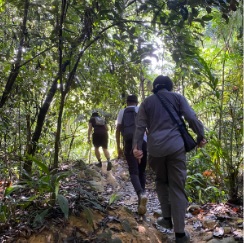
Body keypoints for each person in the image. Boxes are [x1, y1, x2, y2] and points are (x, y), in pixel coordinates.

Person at [132, 76, 207, 243]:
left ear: (155, 88)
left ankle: (166, 218)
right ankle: (180, 234)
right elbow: (191, 117)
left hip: (155, 150)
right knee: (177, 187)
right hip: (175, 147)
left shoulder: (146, 103)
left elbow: (140, 127)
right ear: (169, 86)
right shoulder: (178, 98)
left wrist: (136, 148)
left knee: (161, 181)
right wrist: (200, 135)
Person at [116, 94, 148, 215]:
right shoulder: (141, 110)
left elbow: (118, 130)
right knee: (142, 171)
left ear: (127, 102)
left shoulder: (122, 112)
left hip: (129, 143)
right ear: (136, 102)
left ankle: (140, 194)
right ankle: (143, 195)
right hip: (143, 141)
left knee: (133, 171)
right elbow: (147, 129)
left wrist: (118, 147)